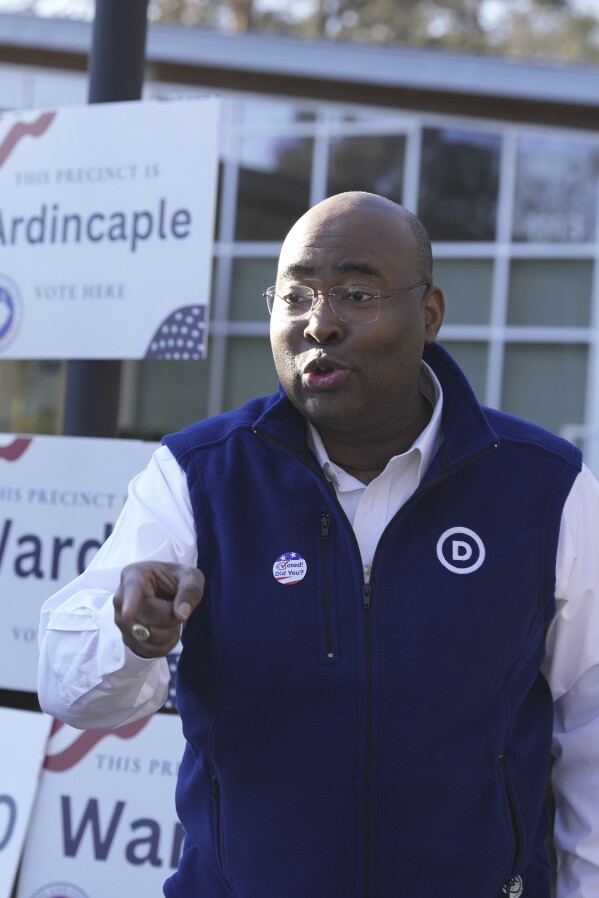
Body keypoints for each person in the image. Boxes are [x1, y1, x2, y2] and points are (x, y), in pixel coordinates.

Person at [38, 191, 599, 898]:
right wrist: (129, 638)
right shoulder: (197, 474)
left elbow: (589, 727)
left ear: (427, 316)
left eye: (355, 293)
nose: (318, 324)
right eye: (295, 295)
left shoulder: (545, 486)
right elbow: (71, 693)